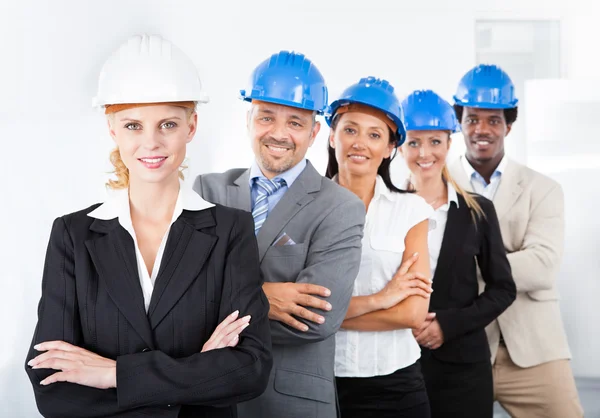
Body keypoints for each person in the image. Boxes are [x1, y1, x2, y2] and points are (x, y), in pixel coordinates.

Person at [24, 34, 272, 418]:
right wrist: (194, 376)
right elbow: (50, 382)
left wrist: (112, 374)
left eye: (168, 124)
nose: (151, 143)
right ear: (113, 130)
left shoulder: (230, 231)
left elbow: (250, 369)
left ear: (191, 127)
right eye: (133, 125)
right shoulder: (73, 236)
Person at [194, 51, 365, 418]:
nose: (278, 133)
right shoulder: (208, 191)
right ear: (249, 119)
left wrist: (214, 303)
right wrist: (265, 296)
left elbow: (317, 319)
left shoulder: (341, 207)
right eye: (267, 117)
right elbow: (176, 297)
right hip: (209, 397)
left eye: (295, 122)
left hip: (289, 404)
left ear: (315, 132)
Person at [448, 64, 583, 418]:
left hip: (533, 348)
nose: (482, 129)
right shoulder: (436, 185)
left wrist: (459, 266)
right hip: (458, 346)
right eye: (472, 118)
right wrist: (505, 260)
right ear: (459, 123)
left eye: (493, 120)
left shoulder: (543, 189)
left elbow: (542, 268)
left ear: (508, 125)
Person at [399, 89, 516, 418]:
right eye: (414, 142)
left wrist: (448, 325)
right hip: (399, 364)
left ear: (449, 144)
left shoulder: (478, 211)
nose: (425, 153)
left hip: (463, 370)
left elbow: (503, 289)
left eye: (435, 142)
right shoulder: (387, 210)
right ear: (399, 147)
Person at [326, 77, 433, 418]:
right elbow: (299, 311)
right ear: (332, 136)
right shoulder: (305, 209)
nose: (360, 143)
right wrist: (381, 300)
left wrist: (329, 317)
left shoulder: (411, 211)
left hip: (396, 385)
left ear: (390, 147)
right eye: (350, 130)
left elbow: (413, 314)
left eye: (375, 134)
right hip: (322, 381)